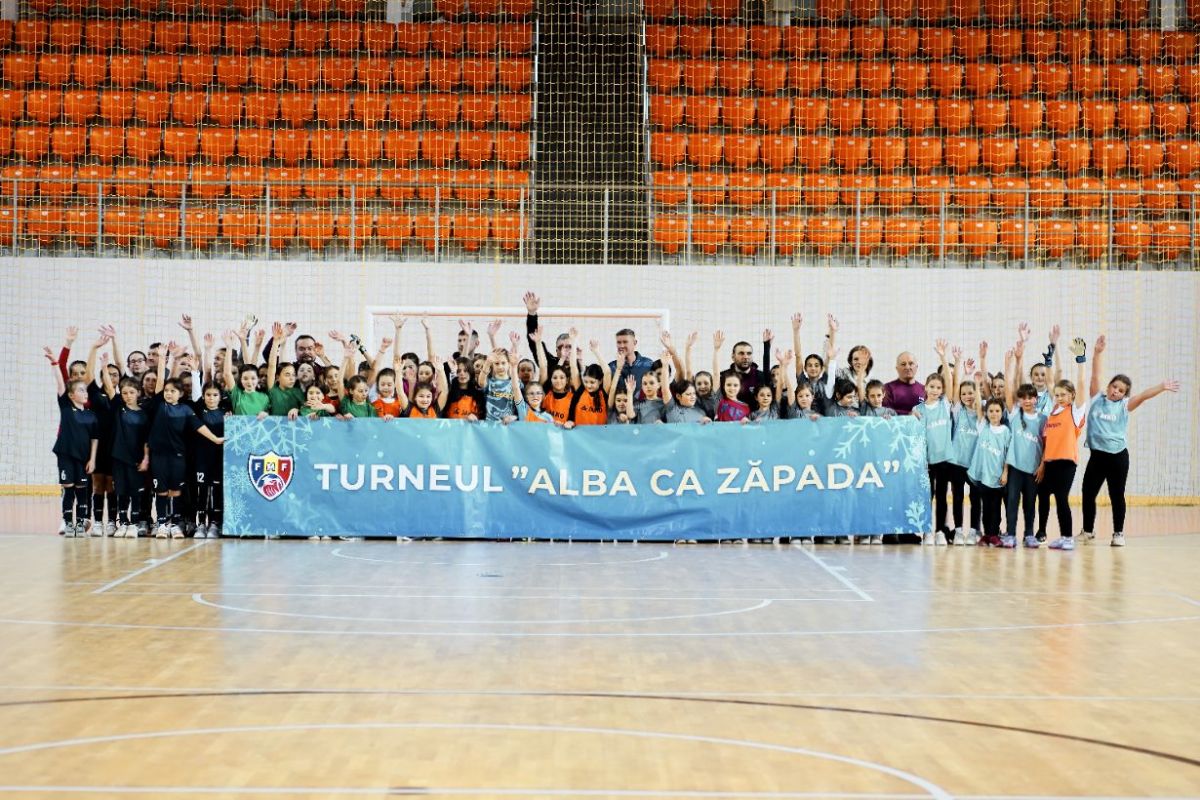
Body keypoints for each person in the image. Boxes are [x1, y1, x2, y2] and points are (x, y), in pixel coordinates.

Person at [1079, 335, 1179, 547]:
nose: (1116, 391)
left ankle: (1118, 533)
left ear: (1124, 394)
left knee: (1116, 495)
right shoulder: (1096, 398)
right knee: (1088, 492)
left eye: (1121, 390)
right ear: (1109, 386)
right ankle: (1087, 531)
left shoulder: (1124, 406)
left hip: (1117, 457)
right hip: (1097, 456)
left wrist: (1161, 386)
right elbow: (1095, 375)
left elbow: (1142, 396)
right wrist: (1097, 353)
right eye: (1114, 387)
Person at [144, 344, 224, 538]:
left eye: (173, 391)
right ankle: (162, 523)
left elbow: (199, 427)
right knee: (161, 491)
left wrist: (216, 439)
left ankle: (174, 524)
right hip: (159, 456)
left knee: (176, 491)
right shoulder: (159, 405)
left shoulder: (186, 410)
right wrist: (164, 359)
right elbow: (161, 382)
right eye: (167, 390)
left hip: (178, 456)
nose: (168, 393)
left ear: (180, 394)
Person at [1036, 337, 1090, 551]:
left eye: (1063, 394)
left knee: (1061, 499)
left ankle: (1067, 538)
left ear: (1072, 395)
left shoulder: (1075, 412)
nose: (1059, 397)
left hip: (1066, 463)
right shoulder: (1053, 411)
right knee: (1043, 497)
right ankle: (1043, 533)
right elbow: (1051, 384)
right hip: (1049, 463)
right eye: (1057, 395)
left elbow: (1082, 384)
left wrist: (1081, 360)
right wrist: (1048, 362)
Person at [45, 347, 99, 537]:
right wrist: (54, 363)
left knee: (82, 490)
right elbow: (60, 383)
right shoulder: (66, 408)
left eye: (85, 390)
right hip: (66, 456)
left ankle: (81, 523)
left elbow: (95, 438)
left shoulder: (91, 415)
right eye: (81, 390)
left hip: (83, 458)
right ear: (71, 395)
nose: (85, 393)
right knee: (68, 490)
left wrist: (92, 459)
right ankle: (68, 522)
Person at [100, 367, 149, 538]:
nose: (128, 396)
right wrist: (104, 367)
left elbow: (146, 440)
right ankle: (123, 522)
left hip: (136, 459)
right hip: (119, 458)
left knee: (135, 492)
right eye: (125, 393)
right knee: (121, 491)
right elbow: (109, 387)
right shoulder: (118, 408)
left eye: (131, 392)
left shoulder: (144, 415)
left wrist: (145, 459)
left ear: (138, 393)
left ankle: (134, 523)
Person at [912, 343, 953, 544]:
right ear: (925, 387)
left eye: (938, 387)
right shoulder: (917, 409)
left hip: (943, 458)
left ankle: (940, 532)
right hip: (925, 461)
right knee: (927, 495)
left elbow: (950, 381)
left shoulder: (945, 404)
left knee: (942, 496)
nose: (935, 390)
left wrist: (943, 357)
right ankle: (926, 531)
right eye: (932, 386)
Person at [947, 355, 983, 546]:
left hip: (975, 464)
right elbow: (955, 390)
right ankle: (959, 530)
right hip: (956, 463)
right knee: (958, 497)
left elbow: (977, 399)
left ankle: (975, 530)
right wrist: (964, 373)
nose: (967, 396)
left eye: (971, 393)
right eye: (964, 394)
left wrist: (975, 383)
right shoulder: (958, 411)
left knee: (976, 498)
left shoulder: (981, 413)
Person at [1005, 383, 1046, 549]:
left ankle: (1029, 534)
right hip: (1015, 467)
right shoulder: (1015, 414)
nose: (1027, 401)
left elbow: (1047, 445)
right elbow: (1009, 389)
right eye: (1023, 398)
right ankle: (1010, 534)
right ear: (1018, 400)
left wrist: (1042, 465)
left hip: (1033, 469)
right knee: (1012, 501)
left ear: (1036, 399)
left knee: (1030, 502)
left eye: (1030, 397)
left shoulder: (1043, 419)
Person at [968, 398, 1012, 548]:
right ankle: (987, 534)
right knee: (986, 507)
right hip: (983, 476)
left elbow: (1008, 454)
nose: (994, 414)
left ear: (1002, 412)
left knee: (995, 507)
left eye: (997, 411)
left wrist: (1005, 472)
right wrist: (977, 387)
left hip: (997, 476)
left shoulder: (1006, 431)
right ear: (986, 413)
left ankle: (994, 534)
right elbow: (978, 404)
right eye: (991, 411)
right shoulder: (983, 427)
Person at [192, 382, 225, 538]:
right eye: (208, 395)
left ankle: (214, 524)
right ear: (203, 396)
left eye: (215, 395)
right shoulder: (198, 411)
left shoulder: (226, 413)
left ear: (220, 397)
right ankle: (201, 524)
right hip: (201, 458)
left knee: (216, 491)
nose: (211, 398)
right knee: (203, 491)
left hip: (218, 459)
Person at [222, 330, 270, 418]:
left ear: (258, 379)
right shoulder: (237, 394)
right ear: (240, 379)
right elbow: (227, 374)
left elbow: (270, 416)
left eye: (253, 378)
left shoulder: (265, 397)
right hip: (240, 427)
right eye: (245, 378)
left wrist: (266, 414)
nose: (249, 382)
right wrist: (229, 347)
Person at [567, 341, 613, 427]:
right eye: (586, 381)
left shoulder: (603, 392)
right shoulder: (581, 390)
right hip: (579, 433)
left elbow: (607, 372)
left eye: (592, 382)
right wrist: (574, 340)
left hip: (599, 434)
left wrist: (596, 351)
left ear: (600, 381)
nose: (588, 385)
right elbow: (573, 366)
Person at [265, 322, 306, 418]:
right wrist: (276, 342)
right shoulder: (273, 390)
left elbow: (307, 408)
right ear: (277, 377)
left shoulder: (298, 392)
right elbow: (272, 366)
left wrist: (297, 410)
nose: (292, 378)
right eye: (287, 375)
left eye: (293, 375)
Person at [608, 328, 656, 399]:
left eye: (625, 342)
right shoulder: (611, 367)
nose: (621, 346)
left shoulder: (648, 364)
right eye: (619, 342)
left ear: (635, 342)